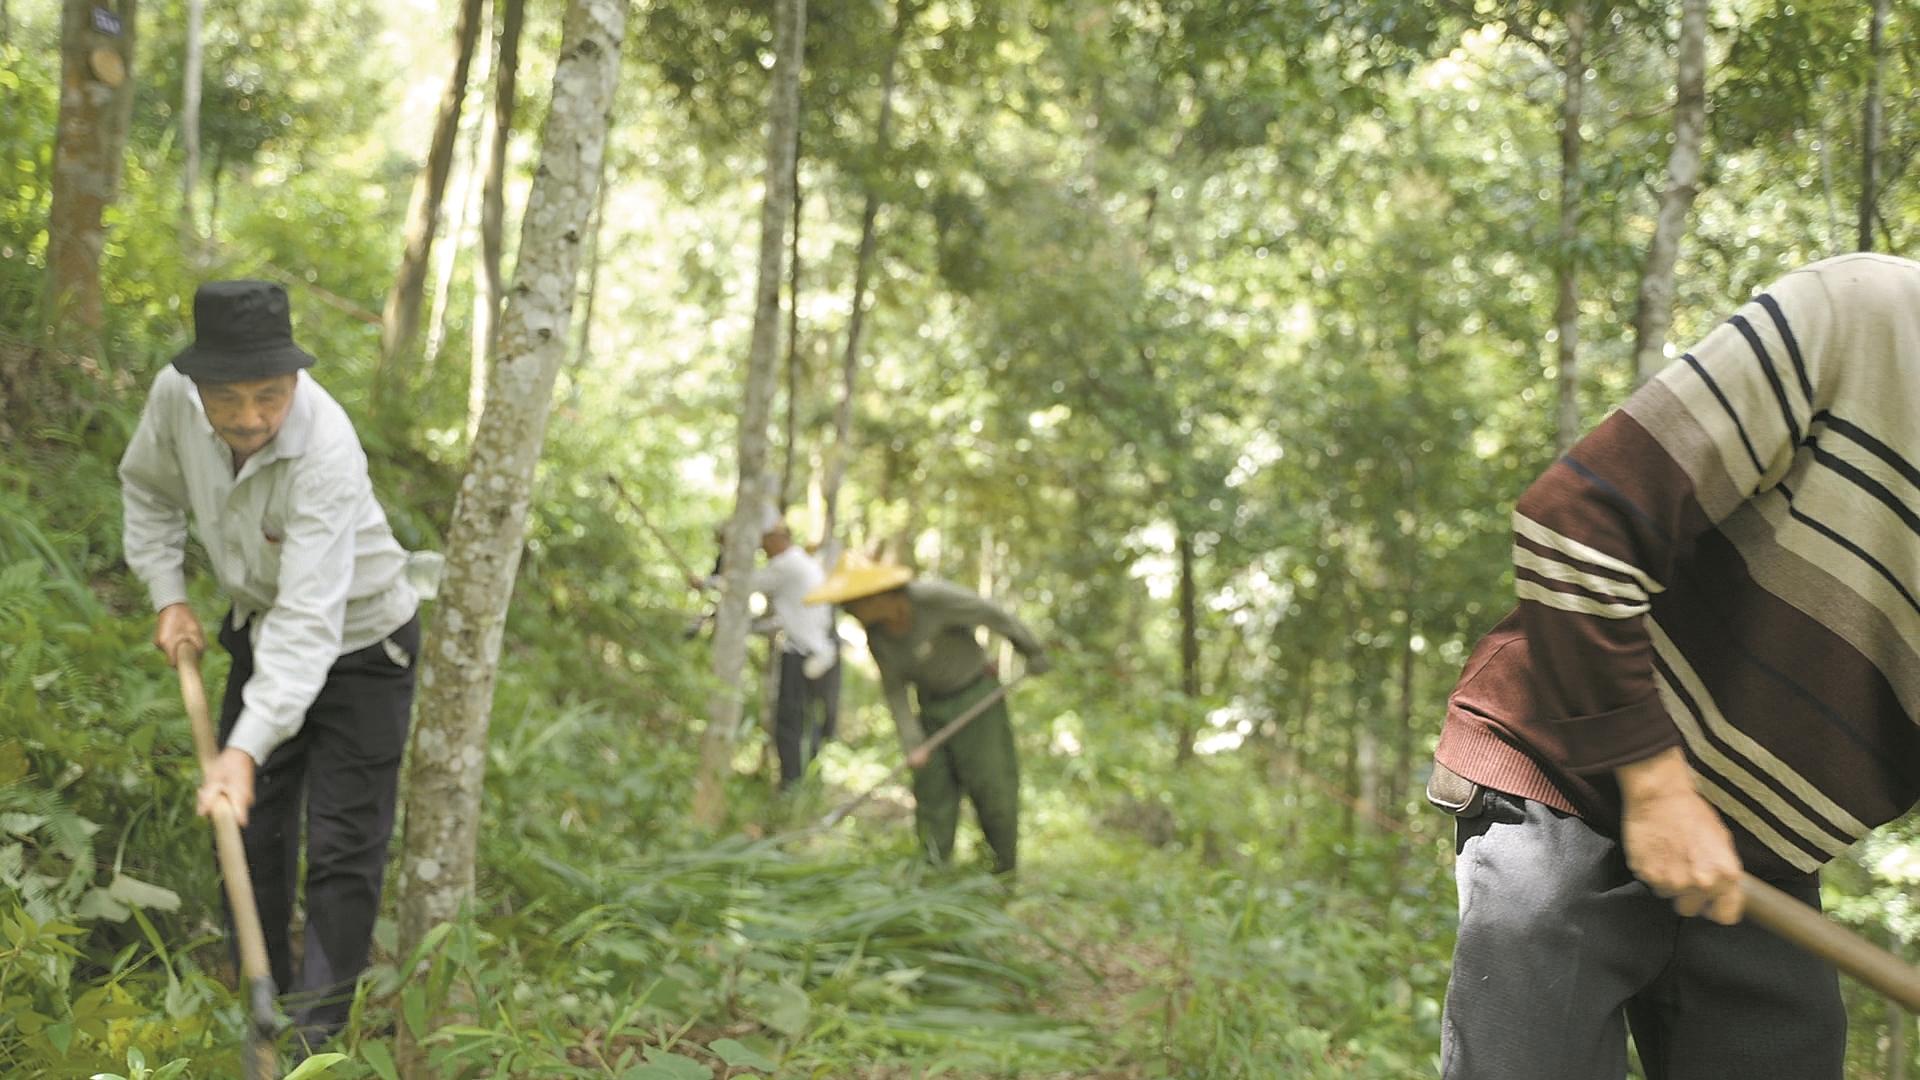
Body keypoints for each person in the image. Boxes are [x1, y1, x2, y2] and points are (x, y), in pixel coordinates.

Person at [1430, 253, 1920, 1080]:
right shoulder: (1872, 314)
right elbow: (1574, 522)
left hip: (1759, 865)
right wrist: (1656, 789)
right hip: (1566, 778)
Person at [120, 280, 420, 1049]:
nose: (251, 417)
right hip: (259, 627)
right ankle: (263, 1006)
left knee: (343, 846)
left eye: (270, 395)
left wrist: (245, 747)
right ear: (195, 386)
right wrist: (169, 596)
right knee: (246, 829)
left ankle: (316, 1041)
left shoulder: (326, 447)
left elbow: (311, 619)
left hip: (362, 645)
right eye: (230, 398)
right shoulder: (170, 399)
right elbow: (148, 492)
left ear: (294, 381)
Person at [806, 565, 1050, 873]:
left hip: (975, 699)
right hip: (931, 708)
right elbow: (894, 690)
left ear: (879, 596)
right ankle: (931, 872)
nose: (848, 611)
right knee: (933, 791)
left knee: (992, 787)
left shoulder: (932, 599)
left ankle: (1001, 871)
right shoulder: (877, 636)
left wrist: (1031, 649)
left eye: (853, 604)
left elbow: (992, 614)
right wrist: (912, 742)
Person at [690, 506, 840, 788]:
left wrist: (707, 582)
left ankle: (793, 786)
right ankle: (801, 783)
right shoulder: (798, 562)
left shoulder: (787, 565)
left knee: (790, 723)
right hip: (812, 651)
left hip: (803, 654)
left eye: (762, 540)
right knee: (802, 722)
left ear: (774, 537)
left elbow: (744, 585)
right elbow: (782, 617)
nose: (760, 547)